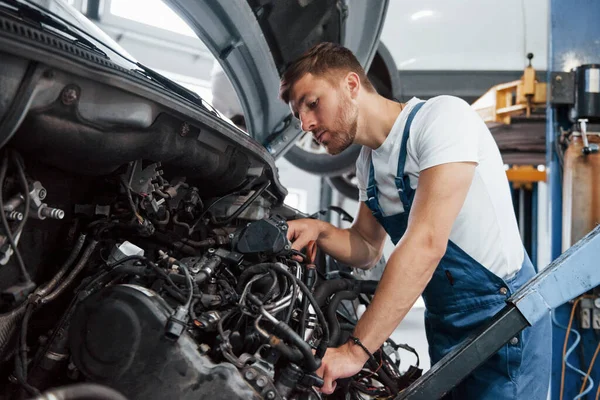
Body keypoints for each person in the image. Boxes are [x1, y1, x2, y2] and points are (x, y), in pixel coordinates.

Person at [278, 42, 551, 399]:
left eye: (312, 104)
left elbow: (425, 243)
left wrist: (354, 351)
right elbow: (366, 246)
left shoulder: (441, 119)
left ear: (351, 84)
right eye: (299, 115)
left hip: (503, 319)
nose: (306, 124)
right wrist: (319, 230)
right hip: (445, 325)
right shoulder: (368, 165)